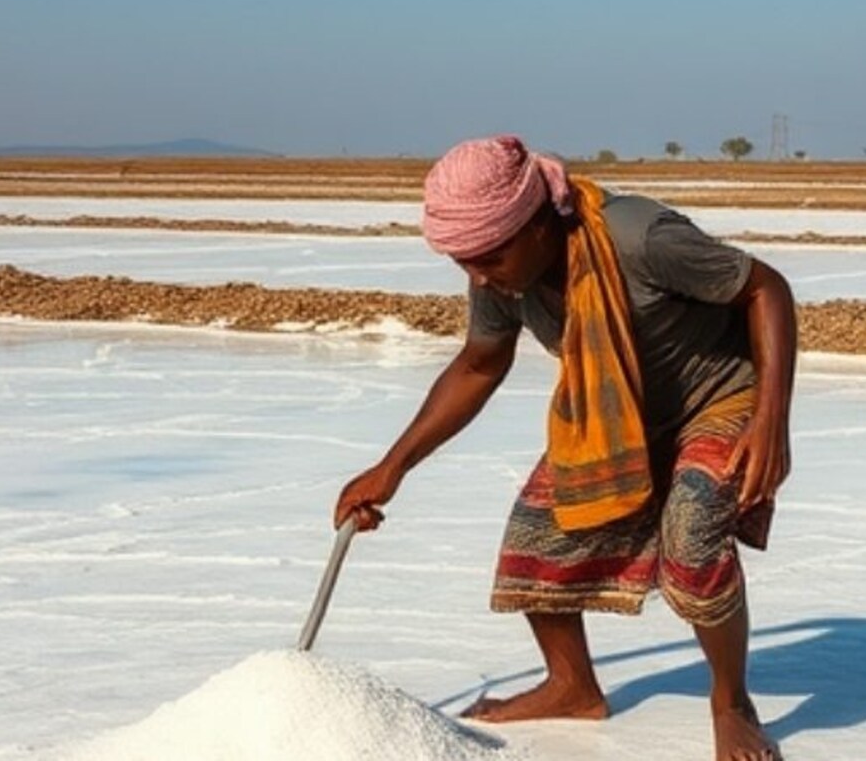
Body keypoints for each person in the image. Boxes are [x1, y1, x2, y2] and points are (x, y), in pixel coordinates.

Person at [335, 135, 797, 761]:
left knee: (692, 537)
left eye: (488, 257)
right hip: (616, 411)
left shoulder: (638, 236)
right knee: (536, 538)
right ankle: (573, 686)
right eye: (463, 261)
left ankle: (731, 702)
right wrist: (394, 467)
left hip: (717, 398)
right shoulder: (502, 279)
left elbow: (765, 290)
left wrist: (771, 418)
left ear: (534, 225)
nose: (476, 275)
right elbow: (479, 364)